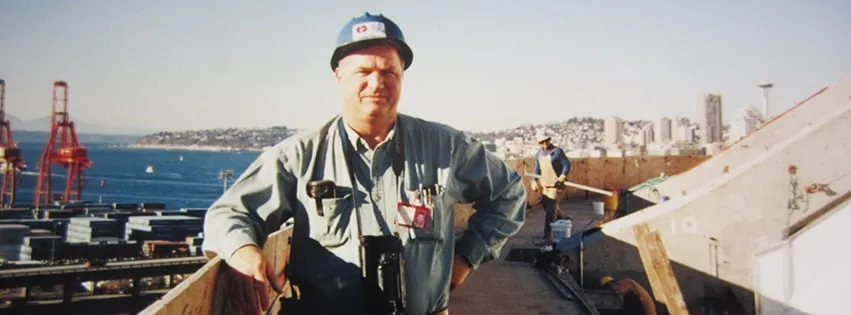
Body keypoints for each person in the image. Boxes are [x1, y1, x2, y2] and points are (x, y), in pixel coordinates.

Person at [201, 12, 527, 315]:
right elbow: (228, 213)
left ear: (402, 76)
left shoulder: (446, 148)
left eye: (388, 71)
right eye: (364, 71)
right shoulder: (299, 156)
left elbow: (509, 193)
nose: (377, 83)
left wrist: (467, 256)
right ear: (339, 76)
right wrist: (242, 251)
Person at [529, 134, 571, 240]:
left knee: (550, 211)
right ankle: (565, 219)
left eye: (546, 141)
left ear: (549, 140)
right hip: (545, 185)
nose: (544, 144)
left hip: (556, 186)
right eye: (542, 142)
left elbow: (566, 164)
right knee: (545, 205)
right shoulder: (539, 154)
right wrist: (534, 180)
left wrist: (562, 176)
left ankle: (547, 236)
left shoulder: (557, 152)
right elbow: (537, 169)